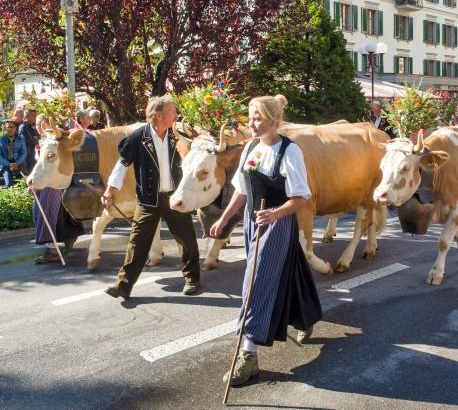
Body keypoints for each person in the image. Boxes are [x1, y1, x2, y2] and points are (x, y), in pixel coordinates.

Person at [210, 95, 322, 387]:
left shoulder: (290, 151)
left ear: (274, 121)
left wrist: (274, 214)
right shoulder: (250, 147)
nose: (252, 123)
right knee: (283, 271)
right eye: (250, 117)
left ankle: (248, 355)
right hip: (251, 223)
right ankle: (305, 315)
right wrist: (224, 219)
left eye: (258, 118)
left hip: (276, 224)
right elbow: (242, 190)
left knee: (256, 283)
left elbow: (301, 196)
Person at [102, 96, 201, 299]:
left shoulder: (178, 135)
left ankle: (192, 278)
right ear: (159, 115)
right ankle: (123, 286)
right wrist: (110, 190)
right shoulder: (138, 137)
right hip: (148, 200)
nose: (176, 114)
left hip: (175, 198)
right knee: (137, 243)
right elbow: (122, 164)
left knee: (187, 239)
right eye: (172, 111)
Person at [32, 114, 81, 263]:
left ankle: (52, 249)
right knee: (55, 212)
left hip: (52, 182)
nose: (39, 127)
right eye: (37, 124)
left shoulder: (56, 140)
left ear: (49, 124)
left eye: (42, 124)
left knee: (47, 213)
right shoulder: (45, 141)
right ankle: (69, 238)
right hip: (47, 181)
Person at [0, 119, 27, 188]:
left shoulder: (21, 139)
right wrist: (9, 164)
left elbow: (23, 153)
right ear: (5, 128)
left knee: (24, 185)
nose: (9, 129)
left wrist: (16, 163)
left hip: (19, 164)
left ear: (15, 128)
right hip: (6, 165)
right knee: (9, 184)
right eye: (8, 127)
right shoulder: (1, 140)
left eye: (11, 127)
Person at [19, 109, 39, 173]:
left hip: (33, 152)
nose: (35, 117)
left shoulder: (32, 126)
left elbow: (37, 136)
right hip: (27, 153)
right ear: (27, 117)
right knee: (30, 171)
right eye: (33, 115)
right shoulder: (23, 127)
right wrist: (40, 142)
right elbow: (30, 141)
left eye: (35, 115)